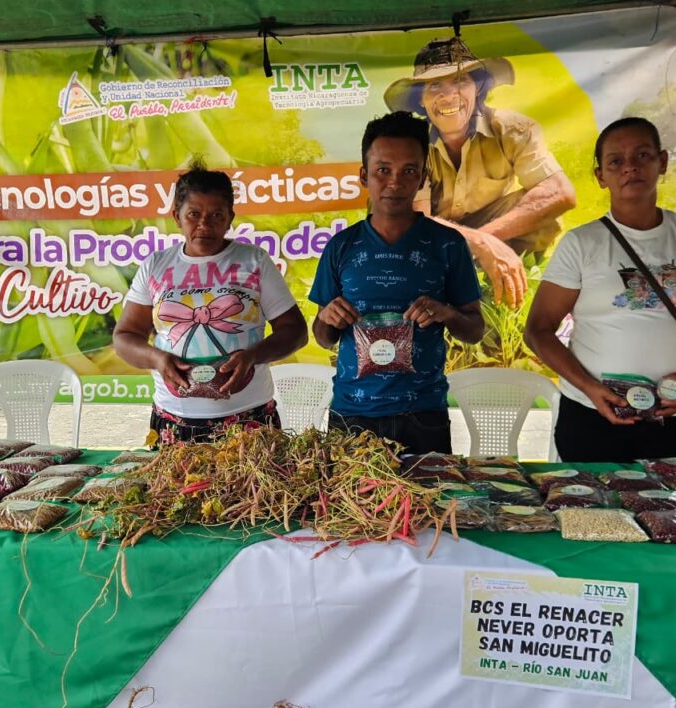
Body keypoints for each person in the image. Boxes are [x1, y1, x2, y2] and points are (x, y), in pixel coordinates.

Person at [524, 117, 676, 462]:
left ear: (662, 162)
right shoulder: (581, 244)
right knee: (591, 498)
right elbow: (538, 330)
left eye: (642, 155)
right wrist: (589, 388)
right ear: (601, 176)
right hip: (592, 416)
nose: (630, 167)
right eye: (616, 161)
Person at [309, 111, 484, 455]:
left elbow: (474, 330)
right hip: (353, 414)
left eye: (409, 171)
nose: (395, 182)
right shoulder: (342, 247)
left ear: (423, 178)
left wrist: (447, 313)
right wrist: (328, 319)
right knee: (351, 494)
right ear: (364, 175)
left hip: (423, 415)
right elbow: (323, 337)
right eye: (383, 170)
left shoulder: (447, 244)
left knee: (429, 492)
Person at [114, 164, 308, 444]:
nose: (204, 224)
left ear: (230, 219)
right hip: (174, 419)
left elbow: (295, 331)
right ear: (177, 217)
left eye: (216, 215)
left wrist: (253, 355)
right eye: (194, 214)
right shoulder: (156, 265)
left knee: (253, 477)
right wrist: (157, 359)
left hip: (248, 418)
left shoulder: (254, 261)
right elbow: (125, 336)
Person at [384, 36, 576, 308]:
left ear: (478, 88)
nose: (449, 95)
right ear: (421, 100)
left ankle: (508, 295)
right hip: (433, 239)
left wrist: (484, 239)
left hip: (490, 226)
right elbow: (414, 222)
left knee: (544, 211)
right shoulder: (411, 146)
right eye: (434, 85)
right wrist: (479, 244)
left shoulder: (512, 128)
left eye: (460, 81)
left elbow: (560, 193)